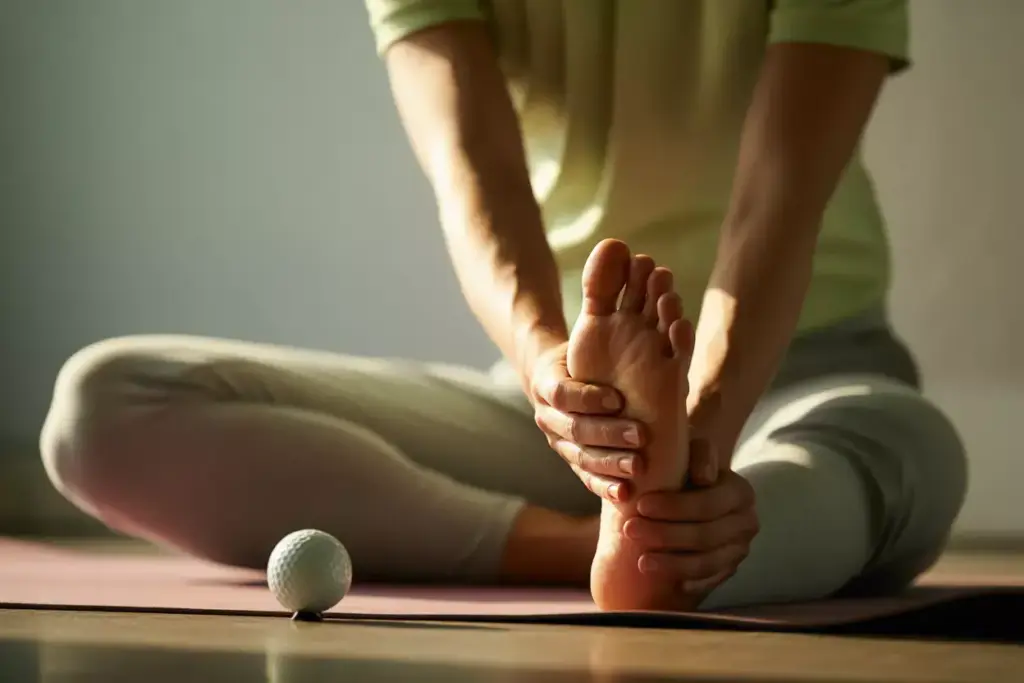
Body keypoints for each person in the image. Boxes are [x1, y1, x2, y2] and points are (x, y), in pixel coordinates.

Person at [39, 0, 967, 612]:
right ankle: (611, 545)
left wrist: (702, 436)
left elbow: (778, 203)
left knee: (910, 445)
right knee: (104, 405)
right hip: (563, 412)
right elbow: (474, 182)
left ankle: (667, 520)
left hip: (800, 376)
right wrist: (555, 381)